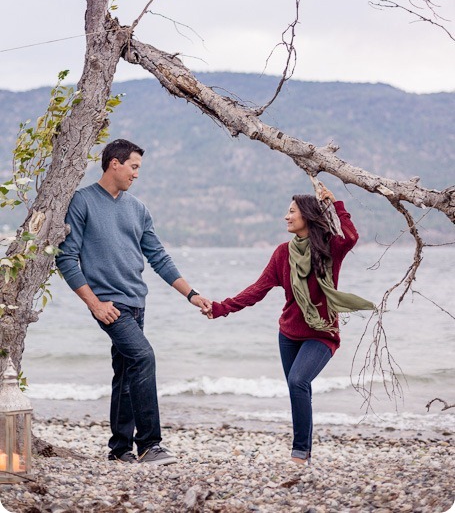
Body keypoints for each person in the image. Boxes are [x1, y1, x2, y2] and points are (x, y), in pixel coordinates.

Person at [56, 139, 211, 466]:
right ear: (115, 163)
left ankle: (119, 448)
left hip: (137, 301)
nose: (137, 174)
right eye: (134, 166)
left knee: (126, 372)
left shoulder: (137, 208)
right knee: (143, 357)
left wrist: (192, 294)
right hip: (110, 305)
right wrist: (94, 304)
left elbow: (158, 257)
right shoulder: (82, 202)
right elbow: (67, 258)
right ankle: (149, 444)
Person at [204, 185, 375, 465]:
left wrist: (335, 203)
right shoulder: (282, 253)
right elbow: (258, 289)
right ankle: (304, 452)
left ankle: (298, 453)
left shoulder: (330, 247)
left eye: (292, 211)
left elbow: (351, 237)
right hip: (289, 333)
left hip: (322, 333)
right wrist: (222, 308)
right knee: (298, 389)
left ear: (307, 216)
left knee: (298, 381)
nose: (286, 216)